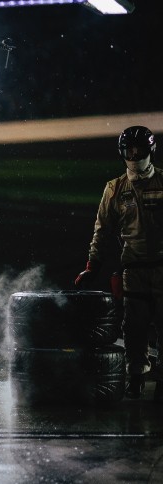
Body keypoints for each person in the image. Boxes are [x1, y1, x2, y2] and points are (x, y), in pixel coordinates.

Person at [75, 125, 163, 398]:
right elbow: (102, 231)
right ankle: (136, 376)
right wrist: (92, 266)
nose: (135, 154)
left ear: (150, 150)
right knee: (134, 328)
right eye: (130, 150)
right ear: (123, 153)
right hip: (133, 270)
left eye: (139, 149)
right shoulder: (114, 189)